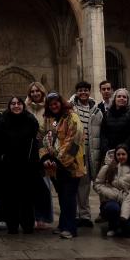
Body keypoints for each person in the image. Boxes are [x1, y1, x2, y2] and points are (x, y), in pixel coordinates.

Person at [0, 95, 40, 235]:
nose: (16, 106)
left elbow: (36, 141)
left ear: (23, 105)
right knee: (10, 198)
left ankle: (28, 225)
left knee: (27, 198)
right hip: (8, 168)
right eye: (13, 104)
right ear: (9, 106)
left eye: (19, 103)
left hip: (27, 167)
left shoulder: (30, 120)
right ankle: (12, 226)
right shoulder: (2, 121)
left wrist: (34, 159)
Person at [40, 92, 85, 239]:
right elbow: (43, 138)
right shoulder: (51, 119)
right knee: (62, 196)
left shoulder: (72, 117)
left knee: (69, 196)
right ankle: (63, 224)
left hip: (71, 164)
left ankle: (70, 228)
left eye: (56, 103)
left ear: (61, 102)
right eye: (51, 104)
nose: (54, 106)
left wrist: (60, 159)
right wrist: (45, 157)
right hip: (55, 166)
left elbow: (75, 140)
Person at [70, 81, 102, 228]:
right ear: (76, 92)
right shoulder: (70, 109)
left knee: (84, 186)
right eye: (81, 90)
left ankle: (85, 215)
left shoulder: (97, 111)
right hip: (74, 152)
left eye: (86, 90)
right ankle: (74, 215)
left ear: (89, 92)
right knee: (73, 185)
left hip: (89, 152)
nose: (83, 93)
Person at [24, 81, 53, 229]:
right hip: (29, 151)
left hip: (44, 149)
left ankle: (44, 217)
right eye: (32, 92)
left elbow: (50, 130)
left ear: (42, 92)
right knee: (31, 186)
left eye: (37, 91)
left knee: (45, 186)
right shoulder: (25, 107)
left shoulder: (48, 108)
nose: (35, 94)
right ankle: (32, 216)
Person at [93, 145, 130, 237]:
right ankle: (113, 226)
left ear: (127, 155)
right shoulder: (107, 168)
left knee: (129, 231)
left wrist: (124, 215)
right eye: (118, 154)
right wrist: (113, 194)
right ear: (115, 155)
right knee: (113, 208)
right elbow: (97, 184)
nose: (121, 157)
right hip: (111, 200)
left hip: (127, 201)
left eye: (123, 154)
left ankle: (121, 223)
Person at [99, 88, 130, 165]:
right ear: (114, 99)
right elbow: (103, 134)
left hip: (127, 153)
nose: (121, 98)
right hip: (110, 153)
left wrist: (121, 150)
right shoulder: (107, 114)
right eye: (119, 96)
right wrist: (107, 150)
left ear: (127, 100)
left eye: (124, 97)